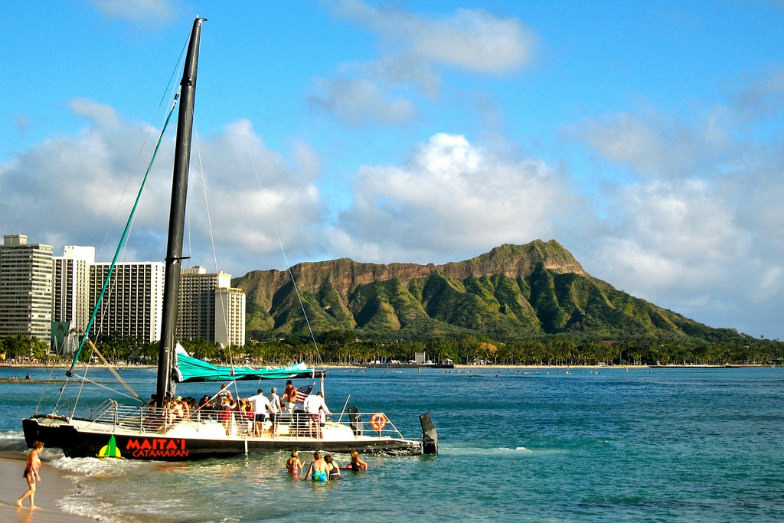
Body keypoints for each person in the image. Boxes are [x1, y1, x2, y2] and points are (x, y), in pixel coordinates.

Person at [17, 441, 44, 508]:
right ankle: (20, 500)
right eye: (42, 448)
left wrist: (24, 473)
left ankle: (32, 505)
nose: (42, 449)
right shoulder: (34, 454)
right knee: (32, 489)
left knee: (32, 489)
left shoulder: (34, 453)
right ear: (38, 447)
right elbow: (32, 465)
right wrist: (37, 475)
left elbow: (28, 463)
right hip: (30, 472)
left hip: (30, 472)